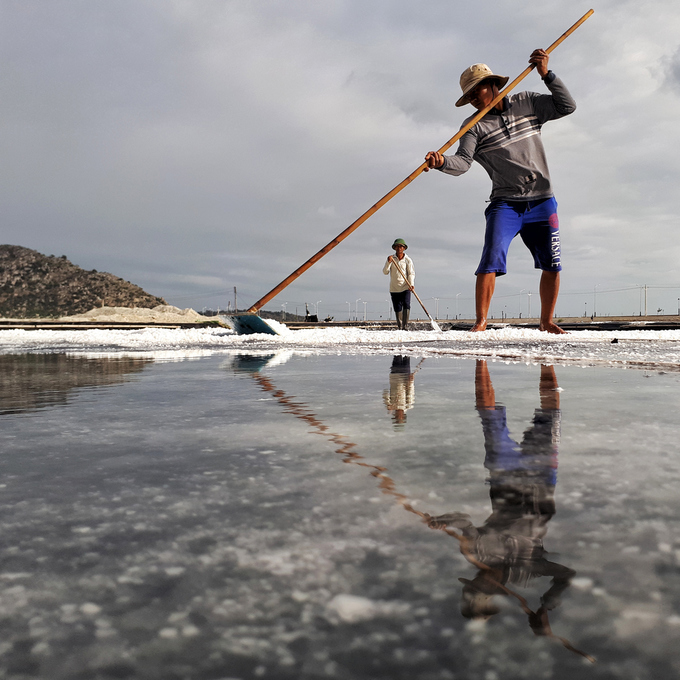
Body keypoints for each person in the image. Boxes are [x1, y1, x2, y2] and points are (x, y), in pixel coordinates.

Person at [424, 49, 576, 333]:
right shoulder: (472, 127)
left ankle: (546, 321)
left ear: (494, 84)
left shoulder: (527, 102)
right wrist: (441, 162)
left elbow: (566, 106)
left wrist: (547, 74)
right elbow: (463, 163)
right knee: (490, 259)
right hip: (505, 204)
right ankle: (481, 322)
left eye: (476, 90)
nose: (473, 98)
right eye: (468, 96)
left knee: (552, 263)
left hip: (543, 202)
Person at [383, 238, 415, 330]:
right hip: (394, 288)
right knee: (397, 307)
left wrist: (411, 284)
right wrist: (388, 262)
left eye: (401, 246)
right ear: (394, 248)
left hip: (405, 286)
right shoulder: (391, 259)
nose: (399, 248)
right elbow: (385, 272)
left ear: (404, 248)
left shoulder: (408, 260)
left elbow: (411, 273)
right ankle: (400, 327)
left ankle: (405, 327)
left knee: (406, 305)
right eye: (397, 246)